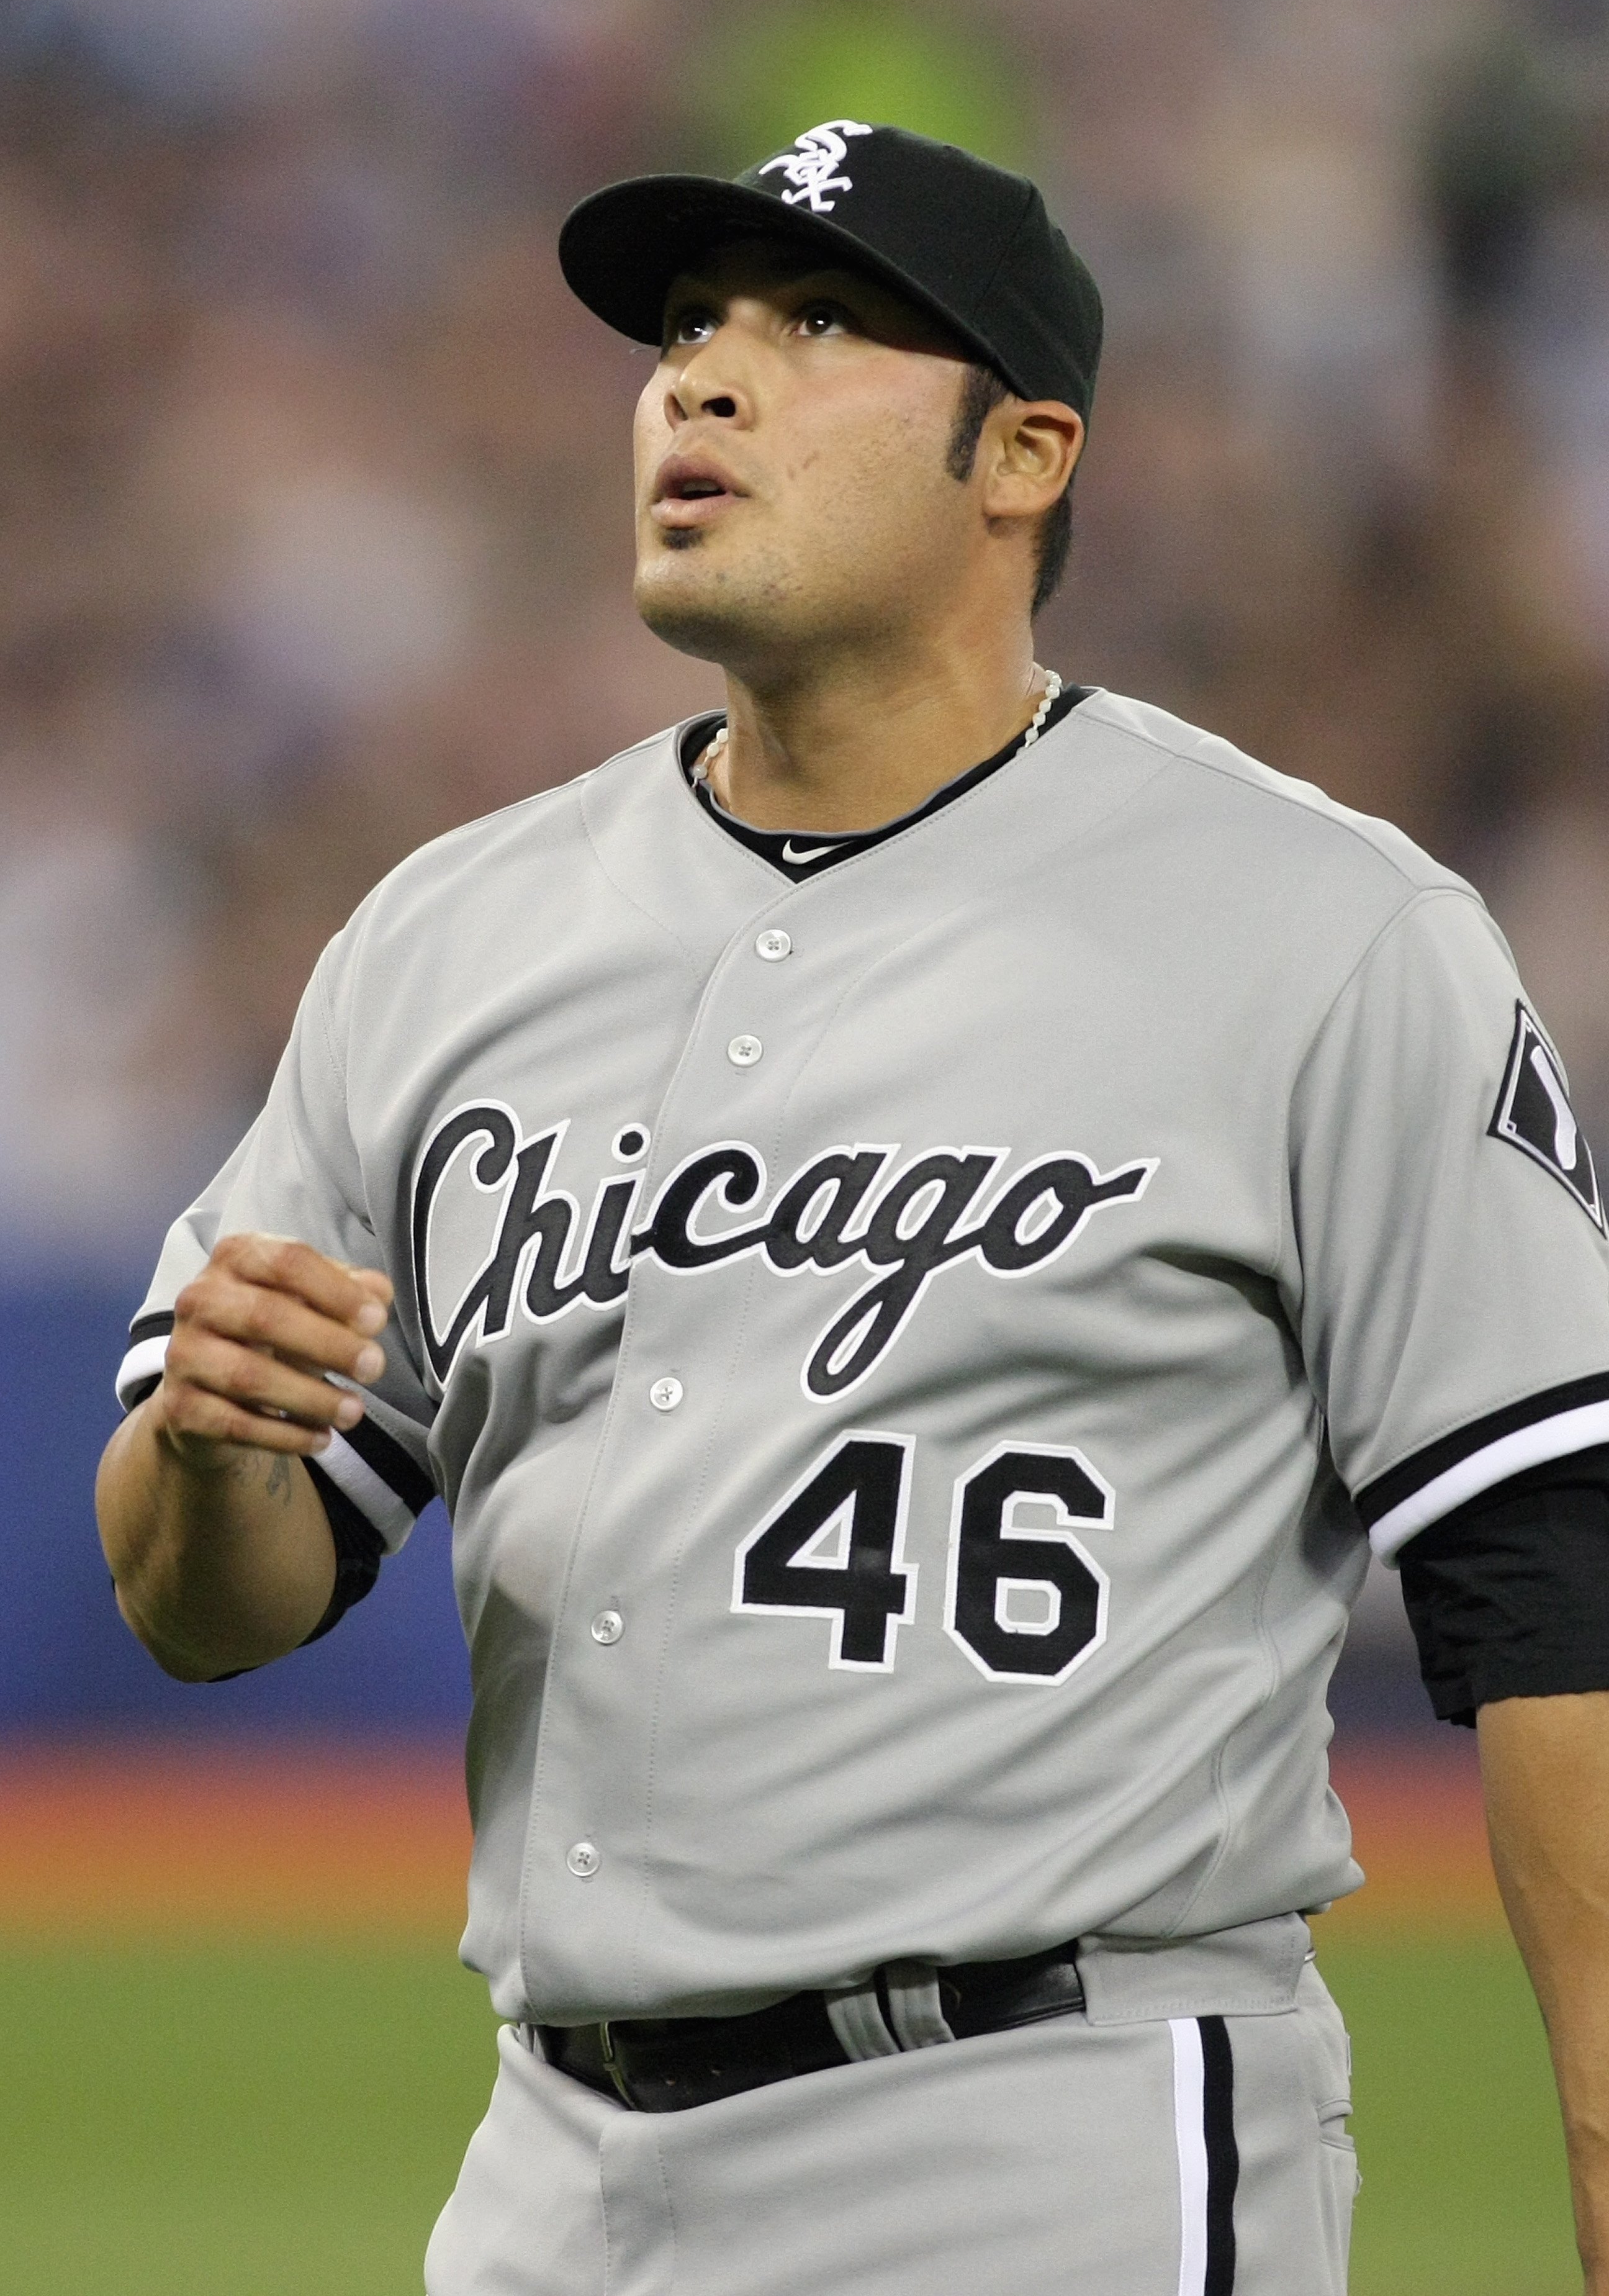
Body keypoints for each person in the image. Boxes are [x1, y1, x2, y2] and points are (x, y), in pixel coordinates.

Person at [96, 122, 1609, 2296]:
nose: (705, 379)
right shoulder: (450, 938)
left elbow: (1557, 1581)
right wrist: (206, 1451)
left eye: (817, 325)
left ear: (1026, 455)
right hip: (551, 2170)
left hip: (1049, 2134)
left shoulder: (1323, 931)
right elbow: (208, 1599)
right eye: (688, 327)